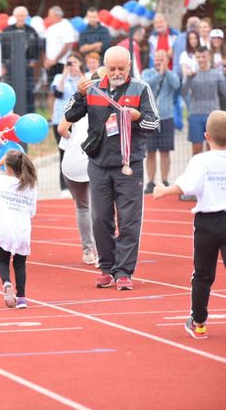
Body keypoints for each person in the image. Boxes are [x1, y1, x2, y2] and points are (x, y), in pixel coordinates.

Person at [64, 46, 159, 291]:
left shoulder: (140, 88)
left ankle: (124, 271)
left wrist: (137, 116)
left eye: (121, 68)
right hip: (98, 163)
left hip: (130, 164)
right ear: (105, 66)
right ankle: (107, 268)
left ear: (129, 66)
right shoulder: (93, 87)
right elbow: (71, 115)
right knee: (100, 218)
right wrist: (77, 94)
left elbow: (154, 123)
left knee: (129, 220)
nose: (117, 72)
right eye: (112, 68)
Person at [153, 110, 226, 339]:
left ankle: (199, 322)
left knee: (203, 275)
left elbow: (188, 186)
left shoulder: (201, 160)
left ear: (206, 136)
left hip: (207, 222)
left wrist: (164, 190)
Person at [0, 150, 37, 309]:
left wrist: (1, 161)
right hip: (23, 231)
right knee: (20, 265)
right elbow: (32, 212)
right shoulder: (31, 186)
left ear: (8, 168)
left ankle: (6, 282)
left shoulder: (1, 182)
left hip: (7, 230)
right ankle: (21, 298)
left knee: (3, 261)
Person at [57, 110, 98, 266]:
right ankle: (102, 252)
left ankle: (88, 252)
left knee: (82, 207)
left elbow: (61, 129)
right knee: (100, 208)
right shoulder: (107, 105)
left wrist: (72, 137)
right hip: (95, 158)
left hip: (73, 160)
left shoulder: (75, 106)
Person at [142, 50, 181, 194]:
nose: (159, 61)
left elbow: (176, 84)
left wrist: (166, 72)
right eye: (157, 58)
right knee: (150, 151)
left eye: (162, 58)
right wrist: (159, 74)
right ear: (153, 59)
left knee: (165, 151)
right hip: (150, 117)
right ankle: (150, 182)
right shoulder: (147, 72)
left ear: (167, 59)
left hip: (167, 117)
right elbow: (146, 84)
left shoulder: (172, 74)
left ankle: (164, 180)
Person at [182, 46, 226, 156]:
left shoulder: (217, 74)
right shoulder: (192, 75)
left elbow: (224, 92)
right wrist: (188, 78)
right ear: (195, 58)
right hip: (195, 114)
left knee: (212, 149)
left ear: (209, 57)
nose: (201, 59)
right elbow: (183, 93)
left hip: (212, 116)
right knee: (196, 149)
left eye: (204, 56)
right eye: (198, 57)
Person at [51, 52, 84, 194]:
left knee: (79, 153)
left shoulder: (84, 78)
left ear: (80, 63)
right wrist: (65, 74)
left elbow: (89, 92)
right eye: (69, 63)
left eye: (74, 62)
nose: (71, 66)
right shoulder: (59, 77)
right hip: (60, 120)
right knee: (63, 153)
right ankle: (64, 186)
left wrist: (80, 73)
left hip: (78, 123)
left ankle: (79, 183)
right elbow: (57, 93)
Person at [3, 6, 39, 114]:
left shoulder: (31, 30)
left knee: (29, 90)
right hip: (11, 66)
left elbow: (37, 47)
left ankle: (30, 114)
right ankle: (11, 113)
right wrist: (3, 64)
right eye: (18, 15)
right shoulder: (7, 30)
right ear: (14, 16)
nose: (20, 18)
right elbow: (3, 48)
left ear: (26, 16)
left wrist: (34, 61)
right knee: (11, 90)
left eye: (23, 15)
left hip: (27, 66)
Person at [44, 6, 77, 113]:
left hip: (61, 63)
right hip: (50, 64)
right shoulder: (50, 28)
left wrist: (55, 59)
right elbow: (46, 46)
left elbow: (67, 44)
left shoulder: (66, 26)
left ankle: (64, 114)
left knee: (61, 90)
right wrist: (46, 59)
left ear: (56, 15)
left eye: (50, 15)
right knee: (50, 90)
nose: (48, 17)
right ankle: (51, 116)